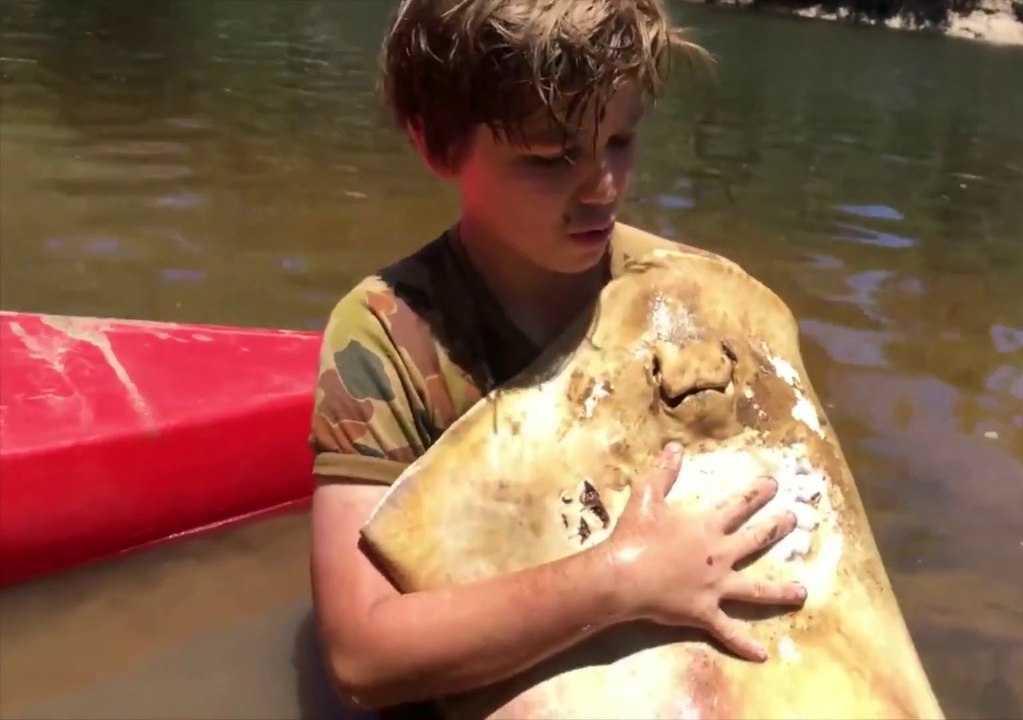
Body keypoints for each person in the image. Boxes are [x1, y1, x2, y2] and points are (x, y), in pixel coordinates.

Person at [307, 0, 809, 714]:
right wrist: (622, 579)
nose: (603, 189)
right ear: (436, 145)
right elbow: (362, 652)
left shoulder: (692, 302)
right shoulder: (388, 335)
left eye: (621, 141)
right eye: (551, 157)